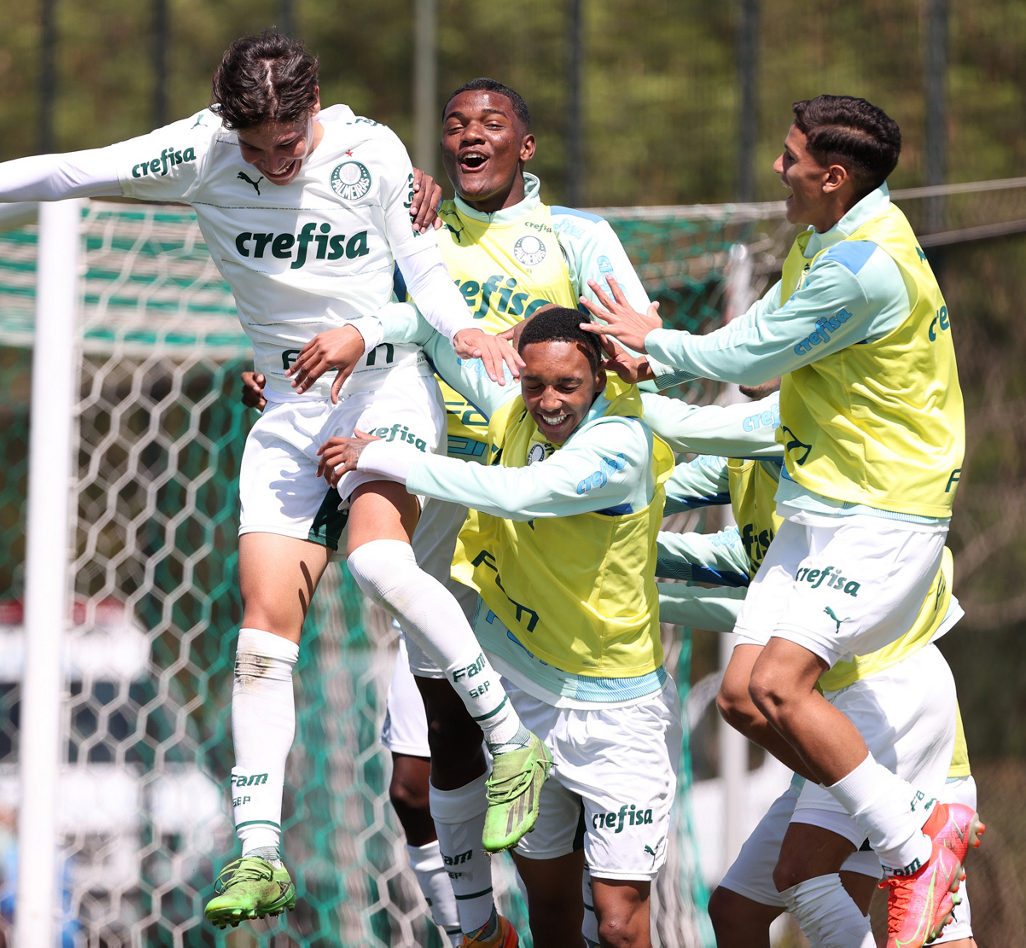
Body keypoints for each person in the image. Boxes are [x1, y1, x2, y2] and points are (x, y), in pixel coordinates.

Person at [0, 31, 549, 930]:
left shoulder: (372, 151)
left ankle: (511, 740)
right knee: (261, 634)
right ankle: (258, 852)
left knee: (378, 562)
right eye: (255, 147)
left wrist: (461, 332)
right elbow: (70, 170)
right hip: (288, 409)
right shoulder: (199, 151)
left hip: (384, 389)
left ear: (314, 104)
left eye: (287, 143)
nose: (274, 162)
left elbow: (423, 273)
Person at [250, 78, 659, 947]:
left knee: (566, 784)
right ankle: (477, 929)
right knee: (414, 779)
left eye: (491, 123)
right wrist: (289, 376)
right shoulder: (413, 226)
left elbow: (635, 341)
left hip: (537, 508)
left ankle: (580, 916)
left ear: (526, 145)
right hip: (432, 491)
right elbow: (360, 323)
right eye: (456, 124)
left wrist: (636, 363)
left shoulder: (576, 236)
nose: (471, 136)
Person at [585, 94, 981, 946]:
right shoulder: (819, 242)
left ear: (832, 177)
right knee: (743, 694)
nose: (777, 167)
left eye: (790, 156)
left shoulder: (862, 266)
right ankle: (910, 828)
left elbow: (749, 356)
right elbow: (757, 344)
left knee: (776, 699)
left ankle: (916, 844)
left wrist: (654, 343)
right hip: (824, 506)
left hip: (883, 509)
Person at [319, 308, 680, 948]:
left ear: (599, 376)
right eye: (535, 384)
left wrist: (387, 456)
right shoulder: (517, 407)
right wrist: (363, 334)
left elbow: (519, 493)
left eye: (567, 385)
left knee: (619, 926)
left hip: (620, 714)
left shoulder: (621, 444)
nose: (549, 402)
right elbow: (432, 336)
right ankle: (481, 929)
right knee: (551, 914)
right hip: (526, 695)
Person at [636, 388, 976, 948]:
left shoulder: (811, 420)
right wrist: (589, 529)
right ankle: (907, 818)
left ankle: (910, 816)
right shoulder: (746, 462)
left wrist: (620, 388)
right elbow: (659, 497)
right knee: (737, 911)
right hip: (831, 721)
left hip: (886, 701)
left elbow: (703, 428)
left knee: (811, 876)